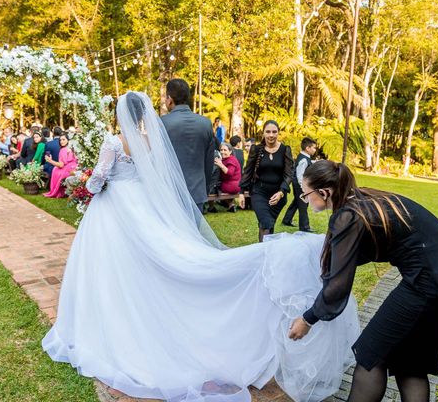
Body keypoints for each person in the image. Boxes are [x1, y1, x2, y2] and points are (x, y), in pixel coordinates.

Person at [43, 92, 360, 402]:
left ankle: (113, 317)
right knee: (153, 259)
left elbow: (99, 178)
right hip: (141, 205)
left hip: (115, 208)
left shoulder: (113, 142)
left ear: (120, 115)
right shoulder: (149, 141)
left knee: (112, 265)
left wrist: (86, 185)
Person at [288, 160, 438, 402]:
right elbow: (363, 250)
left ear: (324, 192)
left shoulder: (348, 215)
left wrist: (308, 318)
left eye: (306, 195)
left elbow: (338, 288)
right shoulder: (362, 199)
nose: (306, 199)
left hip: (430, 282)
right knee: (410, 364)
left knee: (370, 356)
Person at [161, 79, 216, 213]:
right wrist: (206, 188)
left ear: (169, 99)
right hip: (197, 190)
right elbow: (209, 163)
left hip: (170, 192)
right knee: (194, 233)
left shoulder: (162, 123)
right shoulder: (205, 123)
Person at [238, 121, 293, 242]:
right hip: (259, 193)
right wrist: (241, 192)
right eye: (268, 132)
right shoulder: (256, 149)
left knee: (268, 225)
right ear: (263, 133)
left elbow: (289, 174)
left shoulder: (285, 150)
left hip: (278, 195)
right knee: (266, 223)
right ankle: (264, 254)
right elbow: (248, 171)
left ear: (278, 132)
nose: (271, 135)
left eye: (274, 132)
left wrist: (281, 192)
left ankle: (266, 254)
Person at [282, 137, 317, 232]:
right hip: (299, 185)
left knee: (297, 202)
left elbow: (309, 162)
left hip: (299, 185)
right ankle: (304, 227)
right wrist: (304, 188)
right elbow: (300, 175)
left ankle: (287, 220)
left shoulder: (305, 158)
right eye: (314, 148)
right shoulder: (304, 160)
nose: (315, 150)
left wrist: (316, 162)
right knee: (303, 204)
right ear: (307, 148)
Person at [44, 133, 77, 198]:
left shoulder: (63, 150)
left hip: (68, 170)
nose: (61, 141)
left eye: (63, 139)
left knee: (55, 170)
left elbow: (61, 165)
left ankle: (58, 191)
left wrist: (50, 161)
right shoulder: (72, 148)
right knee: (55, 169)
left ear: (68, 140)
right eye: (60, 140)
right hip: (75, 168)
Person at [214, 142, 241, 212]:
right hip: (235, 185)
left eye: (225, 150)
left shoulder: (231, 160)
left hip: (232, 186)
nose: (222, 152)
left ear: (230, 151)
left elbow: (230, 173)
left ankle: (215, 205)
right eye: (221, 150)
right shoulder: (226, 159)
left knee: (215, 188)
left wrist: (220, 165)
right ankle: (231, 205)